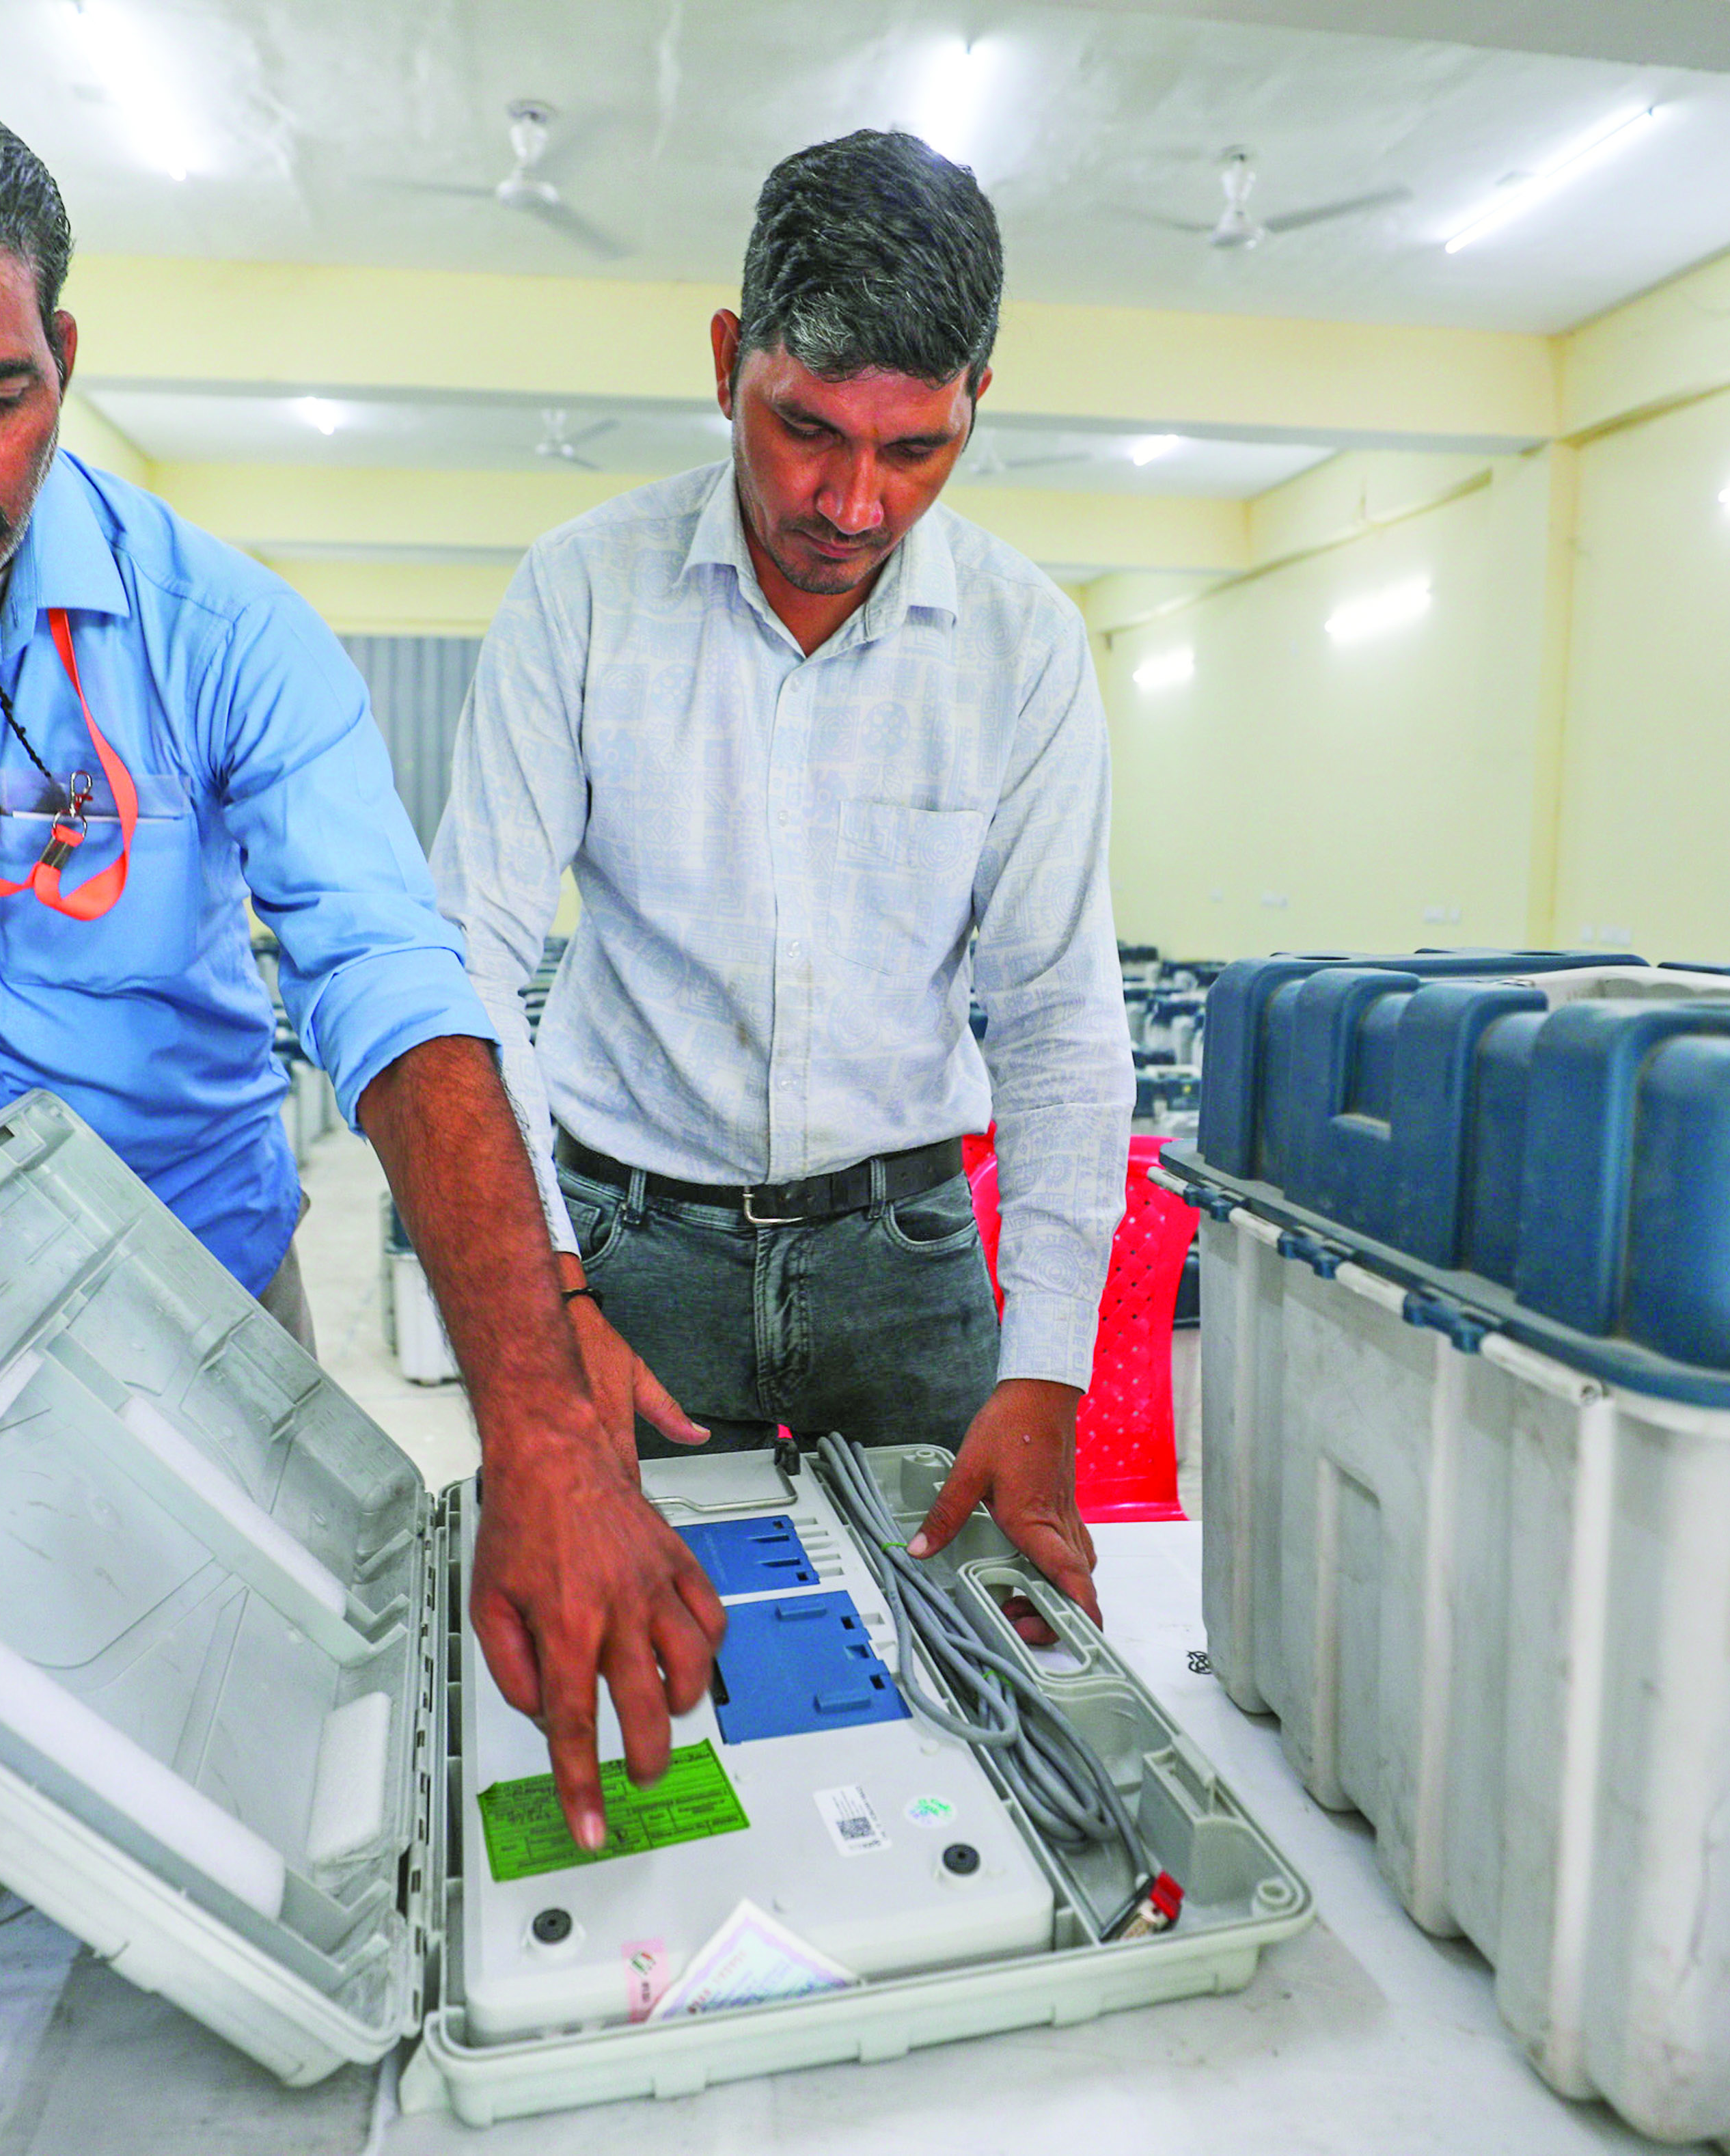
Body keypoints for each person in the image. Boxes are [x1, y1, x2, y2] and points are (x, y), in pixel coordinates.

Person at [0, 55, 716, 1851]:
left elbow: (397, 1001)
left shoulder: (223, 633)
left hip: (205, 1309)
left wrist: (546, 1437)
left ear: (65, 361)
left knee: (253, 1777)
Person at [429, 131, 1134, 1622]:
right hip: (628, 1248)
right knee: (650, 1652)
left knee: (968, 1660)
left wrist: (1047, 1366)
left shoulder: (1025, 644)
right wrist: (551, 1303)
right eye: (807, 428)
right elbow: (463, 956)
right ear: (725, 362)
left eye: (916, 448)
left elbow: (1061, 1013)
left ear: (976, 407)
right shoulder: (582, 592)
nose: (855, 502)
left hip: (911, 1255)